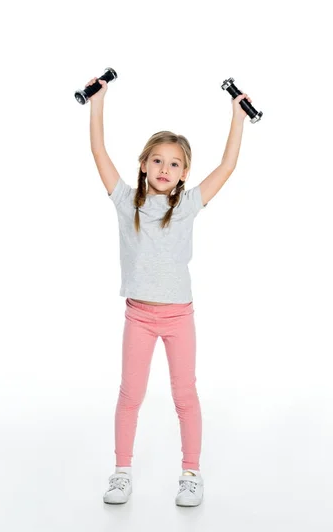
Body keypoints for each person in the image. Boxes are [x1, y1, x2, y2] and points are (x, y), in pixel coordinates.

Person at [88, 76, 250, 507]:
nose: (165, 168)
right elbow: (99, 152)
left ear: (184, 173)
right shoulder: (127, 201)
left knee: (184, 394)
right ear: (143, 164)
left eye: (174, 163)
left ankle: (191, 473)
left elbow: (227, 166)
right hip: (139, 316)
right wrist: (98, 102)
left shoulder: (190, 204)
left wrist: (237, 116)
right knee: (130, 395)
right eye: (157, 160)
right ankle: (122, 471)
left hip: (179, 317)